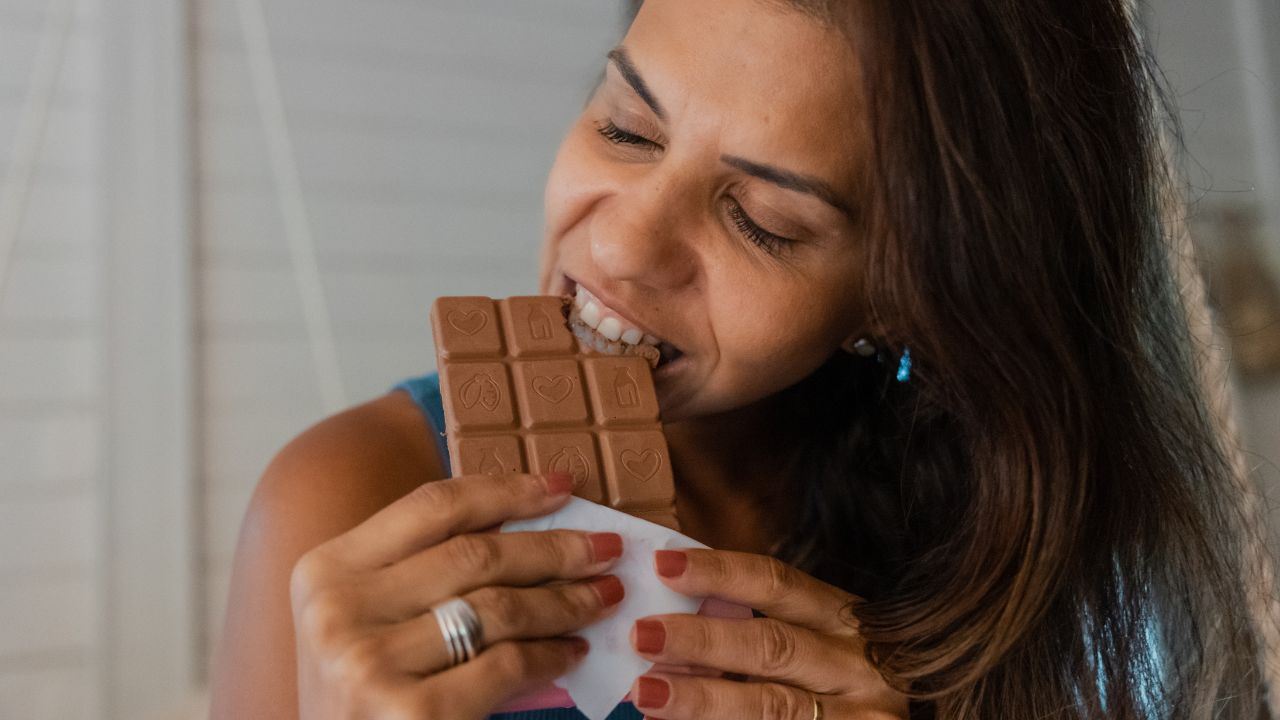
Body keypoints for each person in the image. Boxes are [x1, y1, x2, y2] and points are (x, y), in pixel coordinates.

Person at [207, 0, 1274, 718]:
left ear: (902, 295)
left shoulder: (1014, 555)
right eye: (626, 128)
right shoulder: (345, 502)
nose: (619, 245)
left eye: (761, 219)